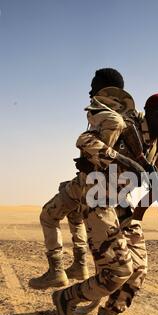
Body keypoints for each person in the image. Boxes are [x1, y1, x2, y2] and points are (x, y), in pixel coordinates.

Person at [52, 91, 158, 315]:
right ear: (152, 114)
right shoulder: (125, 125)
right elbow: (84, 140)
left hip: (123, 205)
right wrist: (119, 158)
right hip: (97, 199)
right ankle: (66, 297)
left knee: (138, 270)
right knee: (118, 270)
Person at [29, 68, 125, 290]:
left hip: (94, 188)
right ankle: (79, 266)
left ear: (106, 89)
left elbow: (104, 157)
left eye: (94, 86)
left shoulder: (110, 118)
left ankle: (58, 271)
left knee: (48, 215)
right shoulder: (114, 117)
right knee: (70, 212)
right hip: (89, 184)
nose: (90, 90)